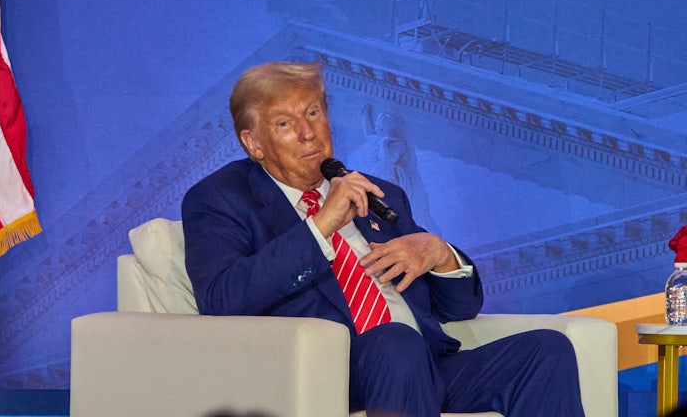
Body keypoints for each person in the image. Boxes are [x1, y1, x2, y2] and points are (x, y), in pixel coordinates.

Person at [182, 61, 585, 417]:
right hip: (325, 371)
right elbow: (222, 297)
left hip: (424, 364)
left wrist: (439, 254)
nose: (308, 133)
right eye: (284, 123)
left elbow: (461, 308)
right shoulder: (220, 199)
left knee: (546, 352)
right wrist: (321, 224)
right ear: (253, 143)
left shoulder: (378, 194)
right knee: (395, 342)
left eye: (313, 112)